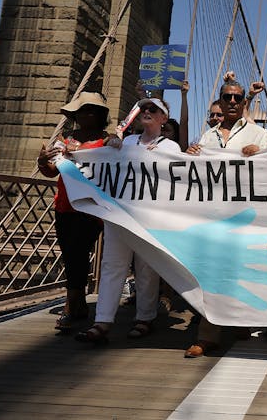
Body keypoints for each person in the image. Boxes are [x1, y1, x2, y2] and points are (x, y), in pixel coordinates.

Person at [76, 97, 181, 344]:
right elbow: (107, 166)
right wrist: (111, 146)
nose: (146, 111)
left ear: (163, 118)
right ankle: (102, 321)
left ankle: (144, 318)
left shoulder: (170, 148)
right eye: (143, 108)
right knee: (112, 265)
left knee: (146, 268)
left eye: (152, 109)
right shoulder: (127, 142)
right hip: (120, 214)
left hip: (148, 218)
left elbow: (175, 178)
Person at [184, 78, 267, 357]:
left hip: (246, 214)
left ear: (244, 101)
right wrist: (189, 155)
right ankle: (208, 335)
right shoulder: (208, 137)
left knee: (242, 271)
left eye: (237, 98)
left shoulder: (259, 134)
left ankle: (240, 321)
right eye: (227, 97)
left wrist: (261, 154)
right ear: (220, 102)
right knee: (210, 273)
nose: (232, 102)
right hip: (213, 214)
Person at [37, 91, 110, 333]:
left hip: (91, 208)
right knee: (70, 255)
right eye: (82, 110)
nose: (87, 113)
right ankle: (78, 306)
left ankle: (72, 307)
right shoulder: (65, 139)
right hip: (64, 205)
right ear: (75, 114)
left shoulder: (108, 140)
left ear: (100, 114)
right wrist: (41, 160)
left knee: (78, 252)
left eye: (92, 110)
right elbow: (50, 171)